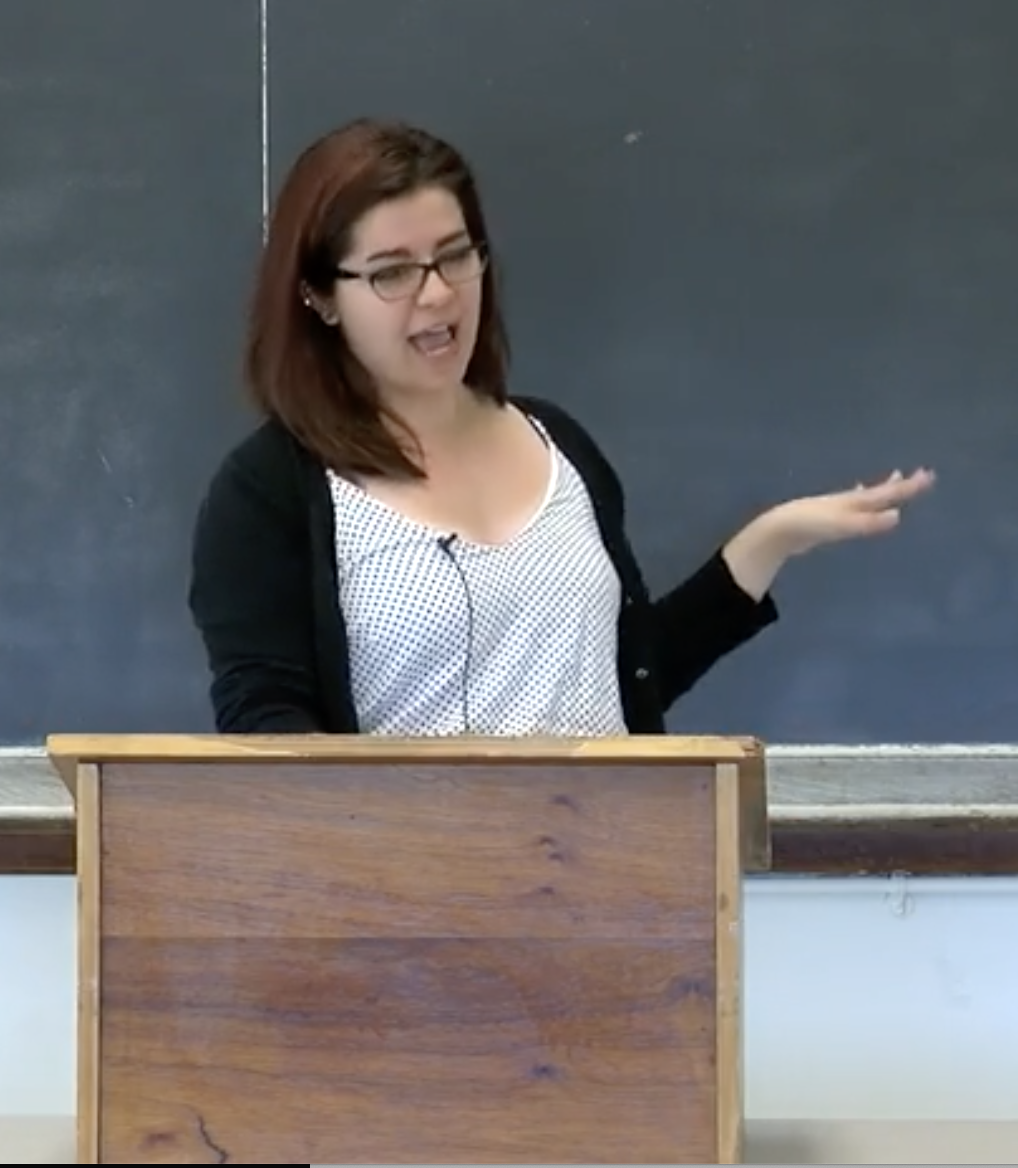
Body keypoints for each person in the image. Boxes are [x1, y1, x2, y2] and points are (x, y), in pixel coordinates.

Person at [187, 117, 934, 737]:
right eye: (393, 271)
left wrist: (771, 541)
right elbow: (267, 740)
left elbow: (626, 681)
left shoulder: (559, 446)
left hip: (602, 888)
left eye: (455, 256)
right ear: (320, 295)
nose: (439, 294)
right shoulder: (271, 492)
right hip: (406, 899)